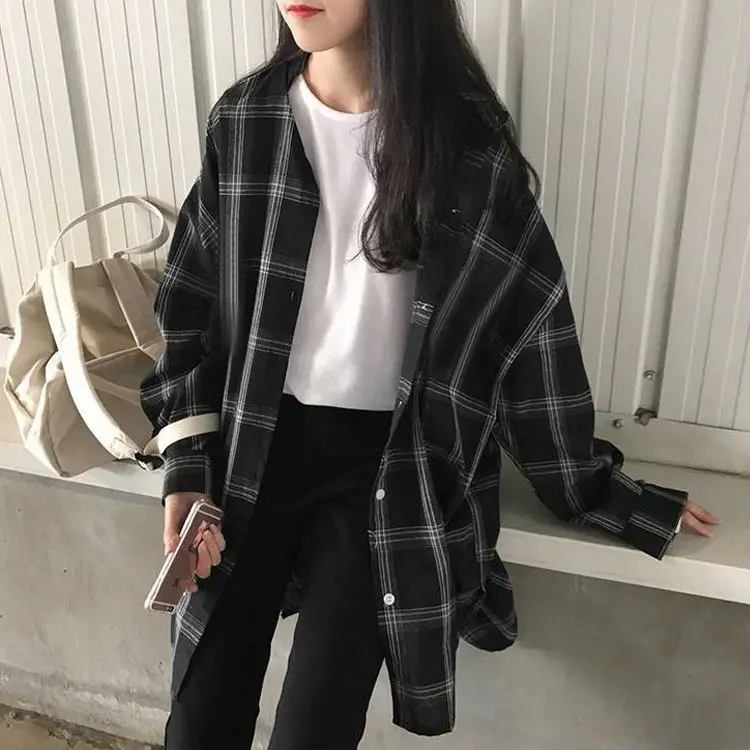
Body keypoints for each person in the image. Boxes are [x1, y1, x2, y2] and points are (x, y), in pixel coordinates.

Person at [140, 1, 720, 748]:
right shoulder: (247, 121)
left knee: (317, 726)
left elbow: (533, 336)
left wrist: (603, 492)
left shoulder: (466, 148)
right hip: (254, 451)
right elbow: (189, 308)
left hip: (384, 474)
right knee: (199, 717)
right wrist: (188, 467)